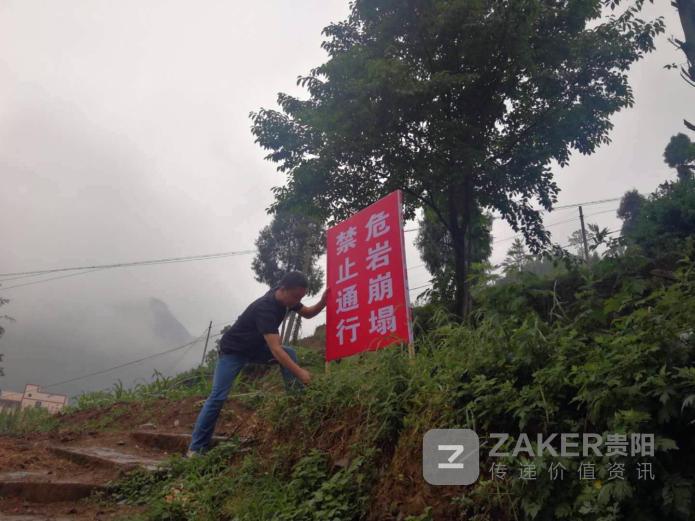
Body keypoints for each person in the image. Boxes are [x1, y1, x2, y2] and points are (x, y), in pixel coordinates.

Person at [187, 271, 327, 455]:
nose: (297, 301)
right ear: (283, 290)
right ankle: (196, 449)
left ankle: (298, 404)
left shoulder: (286, 298)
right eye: (295, 297)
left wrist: (323, 301)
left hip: (255, 349)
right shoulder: (266, 308)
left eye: (300, 297)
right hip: (233, 351)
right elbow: (276, 350)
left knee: (290, 352)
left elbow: (307, 313)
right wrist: (301, 373)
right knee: (218, 396)